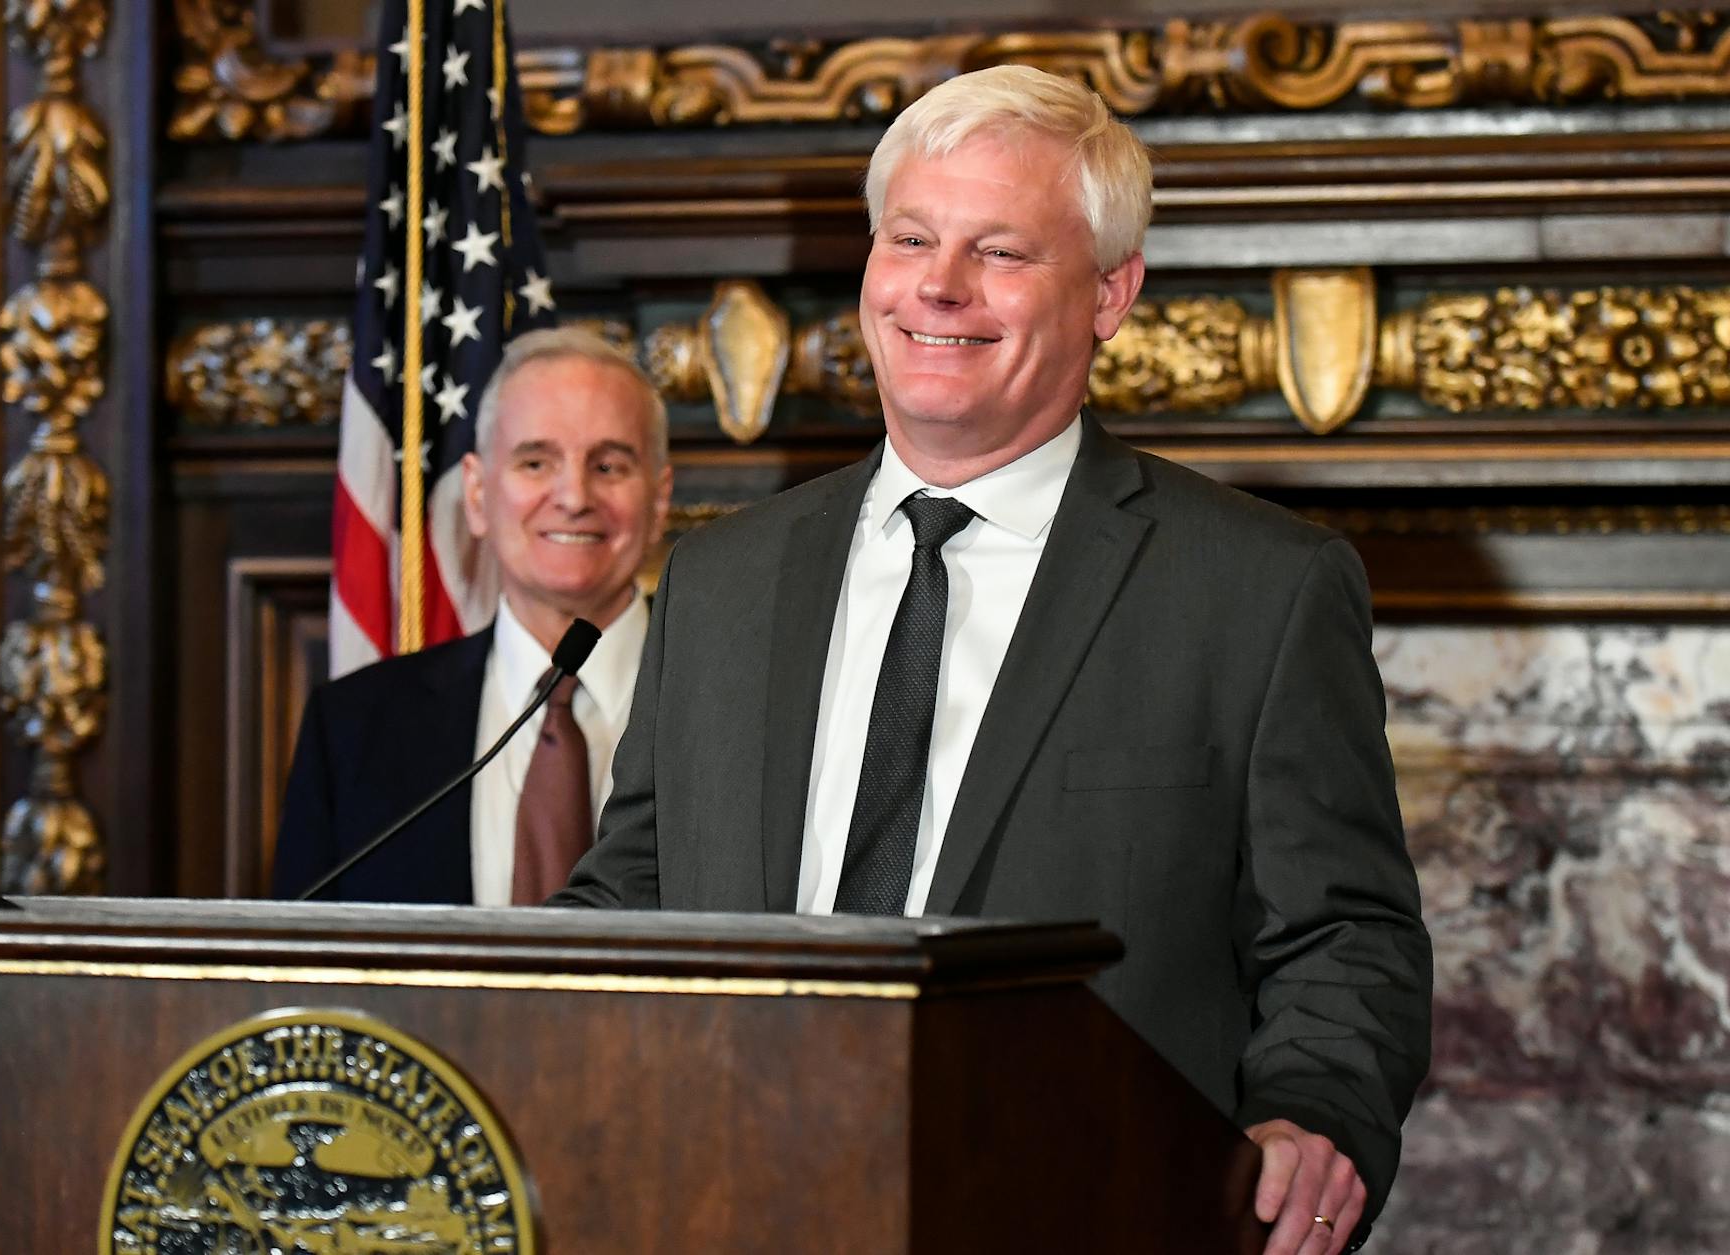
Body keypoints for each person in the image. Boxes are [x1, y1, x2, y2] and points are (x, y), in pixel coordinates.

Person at [552, 66, 1432, 1254]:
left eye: (1001, 252)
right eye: (909, 236)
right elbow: (633, 900)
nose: (938, 286)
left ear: (1112, 292)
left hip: (1092, 1210)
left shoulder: (1260, 591)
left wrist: (1312, 1113)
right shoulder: (721, 581)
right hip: (734, 1203)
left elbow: (1343, 938)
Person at [271, 328, 672, 906]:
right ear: (479, 495)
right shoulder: (355, 729)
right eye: (535, 462)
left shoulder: (741, 707)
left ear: (659, 500)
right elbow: (302, 962)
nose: (573, 496)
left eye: (608, 466)